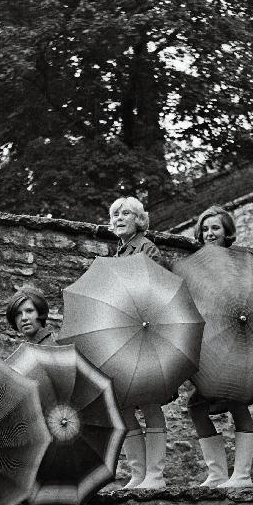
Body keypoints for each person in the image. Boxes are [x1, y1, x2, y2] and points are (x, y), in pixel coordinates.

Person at [6, 288, 81, 505]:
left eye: (29, 311)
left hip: (60, 440)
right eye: (18, 314)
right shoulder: (18, 356)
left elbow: (72, 393)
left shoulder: (58, 347)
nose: (24, 318)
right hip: (29, 446)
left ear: (41, 313)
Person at [188, 206, 253, 487]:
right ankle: (217, 474)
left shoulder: (239, 262)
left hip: (234, 340)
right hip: (207, 345)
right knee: (196, 405)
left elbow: (246, 299)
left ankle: (242, 475)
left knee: (237, 402)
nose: (209, 233)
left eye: (215, 228)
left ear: (227, 232)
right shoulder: (197, 266)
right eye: (205, 229)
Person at [109, 196, 167, 490]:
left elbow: (153, 291)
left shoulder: (147, 249)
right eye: (115, 214)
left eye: (126, 213)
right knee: (123, 404)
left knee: (149, 400)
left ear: (140, 220)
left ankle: (155, 475)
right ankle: (137, 473)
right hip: (123, 336)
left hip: (144, 333)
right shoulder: (117, 254)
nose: (119, 218)